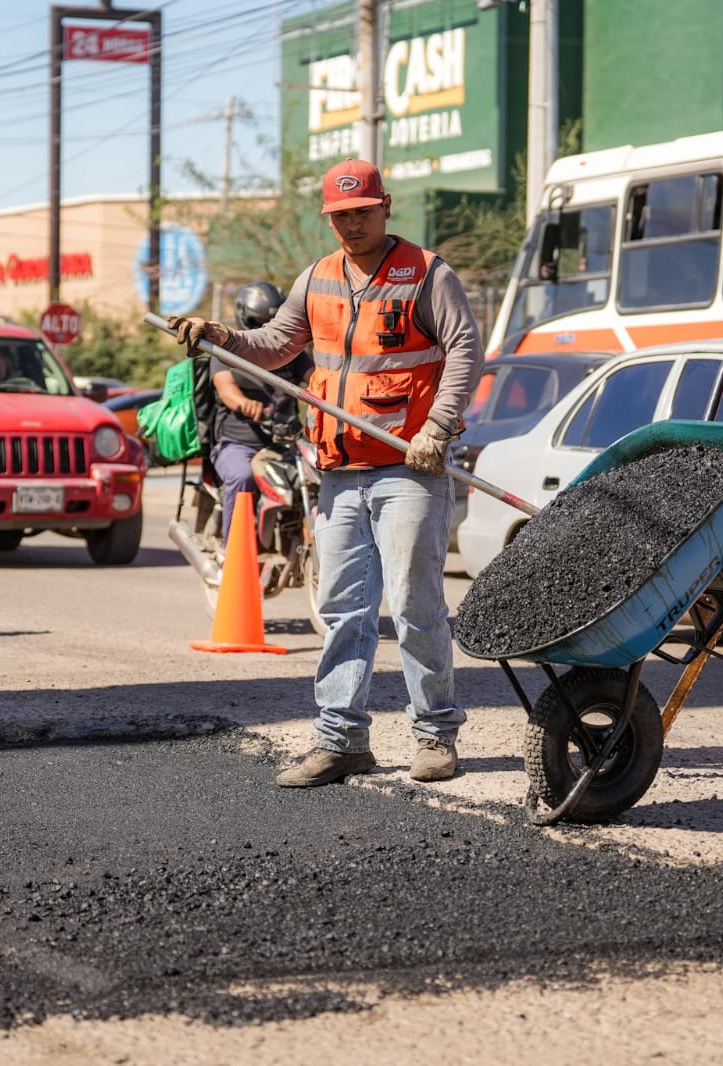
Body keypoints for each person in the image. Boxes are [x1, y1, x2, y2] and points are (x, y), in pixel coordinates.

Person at [167, 157, 483, 789]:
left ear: (385, 206)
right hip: (339, 472)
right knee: (344, 608)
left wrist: (438, 428)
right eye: (339, 216)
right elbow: (276, 345)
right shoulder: (316, 278)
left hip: (407, 469)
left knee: (417, 605)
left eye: (361, 212)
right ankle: (342, 740)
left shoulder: (426, 274)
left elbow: (465, 348)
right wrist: (218, 335)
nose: (351, 224)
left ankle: (436, 735)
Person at [208, 280, 313, 543]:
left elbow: (317, 380)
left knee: (318, 475)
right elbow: (226, 389)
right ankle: (234, 549)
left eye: (273, 320)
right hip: (238, 444)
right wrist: (245, 404)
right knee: (242, 476)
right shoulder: (226, 350)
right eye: (258, 321)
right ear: (244, 316)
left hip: (285, 445)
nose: (266, 328)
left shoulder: (293, 352)